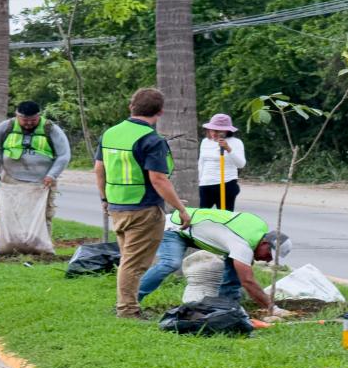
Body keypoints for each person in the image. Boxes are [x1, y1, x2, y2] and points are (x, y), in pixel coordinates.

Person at [94, 88, 191, 319]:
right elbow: (158, 179)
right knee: (134, 263)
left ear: (131, 107)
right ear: (160, 112)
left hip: (117, 205)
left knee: (128, 259)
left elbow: (99, 169)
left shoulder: (110, 134)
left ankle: (126, 305)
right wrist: (181, 209)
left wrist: (105, 199)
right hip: (143, 208)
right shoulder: (151, 140)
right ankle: (127, 310)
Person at [138, 207, 292, 316]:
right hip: (174, 227)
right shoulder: (242, 243)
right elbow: (248, 282)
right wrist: (272, 308)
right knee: (170, 263)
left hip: (191, 229)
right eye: (269, 255)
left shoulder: (258, 229)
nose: (267, 259)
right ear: (265, 243)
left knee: (236, 267)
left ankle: (225, 308)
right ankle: (129, 302)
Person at [0, 101, 72, 235]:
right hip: (11, 178)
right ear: (17, 116)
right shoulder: (6, 127)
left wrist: (52, 175)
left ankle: (40, 246)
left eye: (33, 120)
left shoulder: (51, 129)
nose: (29, 123)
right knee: (8, 213)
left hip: (42, 181)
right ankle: (8, 243)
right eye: (25, 120)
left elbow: (64, 155)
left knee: (42, 215)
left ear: (39, 116)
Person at [197, 114, 246, 210]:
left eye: (218, 131)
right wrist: (200, 180)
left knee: (225, 218)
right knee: (202, 216)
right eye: (212, 130)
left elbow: (241, 164)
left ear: (226, 131)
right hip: (206, 185)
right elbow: (201, 163)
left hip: (226, 184)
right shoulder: (205, 142)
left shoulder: (236, 142)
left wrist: (228, 148)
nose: (214, 133)